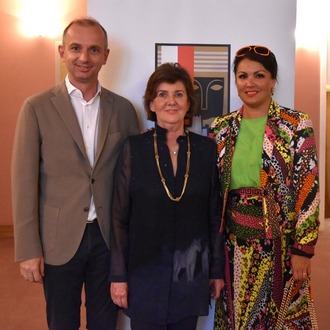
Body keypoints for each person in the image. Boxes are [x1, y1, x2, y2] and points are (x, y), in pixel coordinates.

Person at [11, 17, 139, 330]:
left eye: (94, 49)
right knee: (61, 322)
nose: (84, 57)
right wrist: (28, 250)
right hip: (58, 239)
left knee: (105, 322)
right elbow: (24, 182)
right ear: (62, 52)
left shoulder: (123, 109)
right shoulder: (37, 107)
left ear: (105, 55)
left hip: (108, 239)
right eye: (76, 48)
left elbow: (132, 182)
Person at [209, 45, 320, 329]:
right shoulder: (220, 129)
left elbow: (308, 189)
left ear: (272, 81)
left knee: (279, 320)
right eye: (243, 76)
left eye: (259, 75)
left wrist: (303, 250)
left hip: (281, 251)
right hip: (232, 249)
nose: (250, 83)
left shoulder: (295, 125)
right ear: (235, 80)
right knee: (237, 320)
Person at [109, 62, 225, 330]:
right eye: (162, 94)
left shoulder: (206, 149)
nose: (171, 101)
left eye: (178, 94)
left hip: (191, 274)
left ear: (188, 102)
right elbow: (118, 217)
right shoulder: (133, 148)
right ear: (151, 103)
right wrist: (118, 275)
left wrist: (216, 271)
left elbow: (213, 216)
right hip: (143, 274)